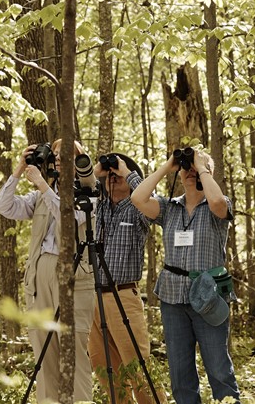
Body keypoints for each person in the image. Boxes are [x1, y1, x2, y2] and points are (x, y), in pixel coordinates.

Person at [131, 148, 240, 404]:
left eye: (196, 168)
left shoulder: (218, 206)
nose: (190, 172)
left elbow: (217, 203)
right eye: (186, 168)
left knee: (218, 369)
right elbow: (137, 198)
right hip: (172, 298)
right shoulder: (170, 207)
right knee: (180, 374)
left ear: (208, 173)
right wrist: (168, 166)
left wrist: (201, 166)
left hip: (208, 298)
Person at [0, 139, 96, 404]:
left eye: (67, 155)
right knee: (44, 350)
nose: (59, 158)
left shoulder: (89, 190)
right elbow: (5, 207)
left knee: (74, 350)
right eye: (56, 154)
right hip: (39, 274)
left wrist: (41, 183)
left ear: (80, 159)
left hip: (74, 275)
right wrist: (19, 169)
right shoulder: (42, 193)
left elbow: (72, 217)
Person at [89, 153, 162, 404]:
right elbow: (76, 187)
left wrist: (126, 172)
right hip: (94, 297)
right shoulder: (98, 204)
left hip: (123, 295)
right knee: (104, 368)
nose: (113, 178)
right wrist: (97, 172)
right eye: (109, 175)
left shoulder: (137, 207)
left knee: (138, 366)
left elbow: (153, 204)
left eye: (117, 175)